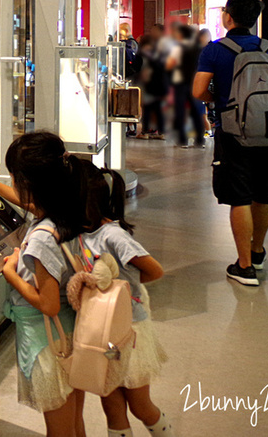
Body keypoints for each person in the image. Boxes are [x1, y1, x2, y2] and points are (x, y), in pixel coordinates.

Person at [0, 132, 88, 437]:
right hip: (71, 334)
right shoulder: (65, 213)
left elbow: (47, 303)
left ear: (27, 183)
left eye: (11, 177)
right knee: (74, 420)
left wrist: (9, 273)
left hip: (48, 344)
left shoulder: (40, 240)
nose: (9, 182)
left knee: (59, 428)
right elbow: (31, 204)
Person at [193, 0, 268, 286]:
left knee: (239, 197)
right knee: (264, 194)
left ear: (228, 16)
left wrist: (219, 102)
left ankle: (244, 266)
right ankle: (257, 253)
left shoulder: (215, 50)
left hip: (233, 131)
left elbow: (197, 91)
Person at [78, 166, 173, 437]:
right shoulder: (81, 232)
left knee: (140, 405)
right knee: (111, 404)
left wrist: (123, 285)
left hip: (130, 331)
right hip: (102, 332)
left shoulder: (113, 235)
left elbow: (155, 270)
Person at [167, 24, 205, 148]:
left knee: (180, 111)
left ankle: (182, 140)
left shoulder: (178, 48)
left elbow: (169, 64)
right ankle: (199, 140)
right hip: (194, 82)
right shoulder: (198, 47)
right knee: (196, 112)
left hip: (181, 83)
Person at [136, 36, 166, 139]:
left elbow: (139, 70)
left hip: (148, 86)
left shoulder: (142, 55)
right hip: (159, 86)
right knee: (158, 110)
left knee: (147, 109)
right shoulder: (158, 54)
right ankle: (162, 132)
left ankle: (145, 132)